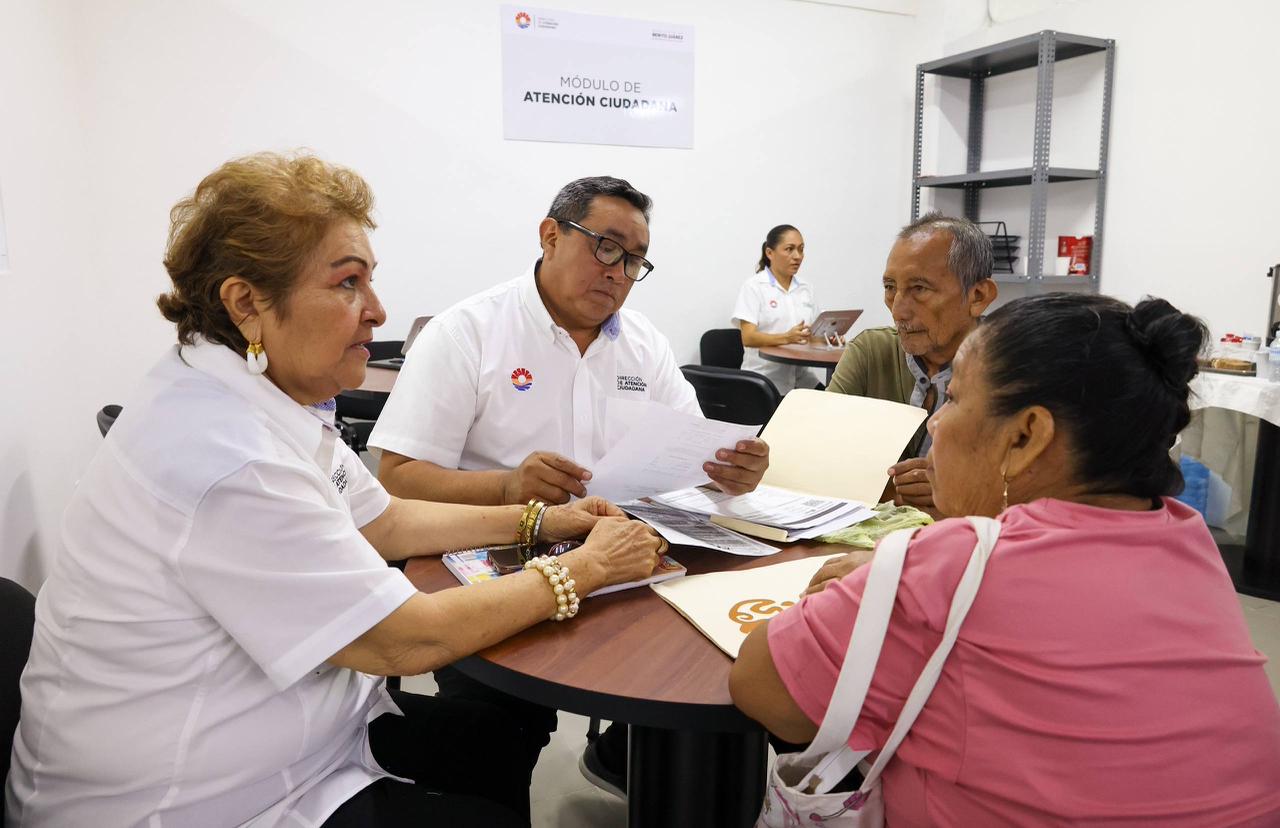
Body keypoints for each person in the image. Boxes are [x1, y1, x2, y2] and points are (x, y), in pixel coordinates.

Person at [4, 153, 668, 828]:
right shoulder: (227, 456)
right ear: (246, 303)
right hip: (196, 799)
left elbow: (384, 520)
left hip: (296, 734)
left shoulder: (256, 395)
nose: (377, 311)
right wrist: (587, 568)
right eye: (348, 283)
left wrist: (544, 523)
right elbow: (400, 643)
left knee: (495, 741)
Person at [731, 293, 1280, 826]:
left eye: (954, 399)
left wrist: (887, 581)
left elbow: (761, 688)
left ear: (1025, 436)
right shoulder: (1190, 541)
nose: (935, 423)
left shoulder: (958, 563)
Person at [368, 175, 772, 800]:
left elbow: (693, 448)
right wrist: (507, 486)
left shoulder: (644, 343)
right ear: (550, 235)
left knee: (707, 663)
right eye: (605, 246)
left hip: (624, 556)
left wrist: (729, 469)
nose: (618, 272)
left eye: (635, 260)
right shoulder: (468, 332)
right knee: (502, 727)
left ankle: (628, 757)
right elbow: (397, 479)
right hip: (496, 562)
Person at [827, 212, 996, 516]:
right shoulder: (872, 352)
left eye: (919, 289)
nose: (898, 311)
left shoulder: (1009, 370)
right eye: (890, 287)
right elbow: (818, 448)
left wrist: (961, 493)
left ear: (978, 296)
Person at [731, 224, 818, 393]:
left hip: (802, 380)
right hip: (764, 381)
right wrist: (787, 337)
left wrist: (828, 339)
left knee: (836, 400)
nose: (797, 256)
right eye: (789, 249)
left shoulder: (806, 288)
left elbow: (810, 335)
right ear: (769, 253)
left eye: (801, 249)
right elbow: (748, 338)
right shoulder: (754, 287)